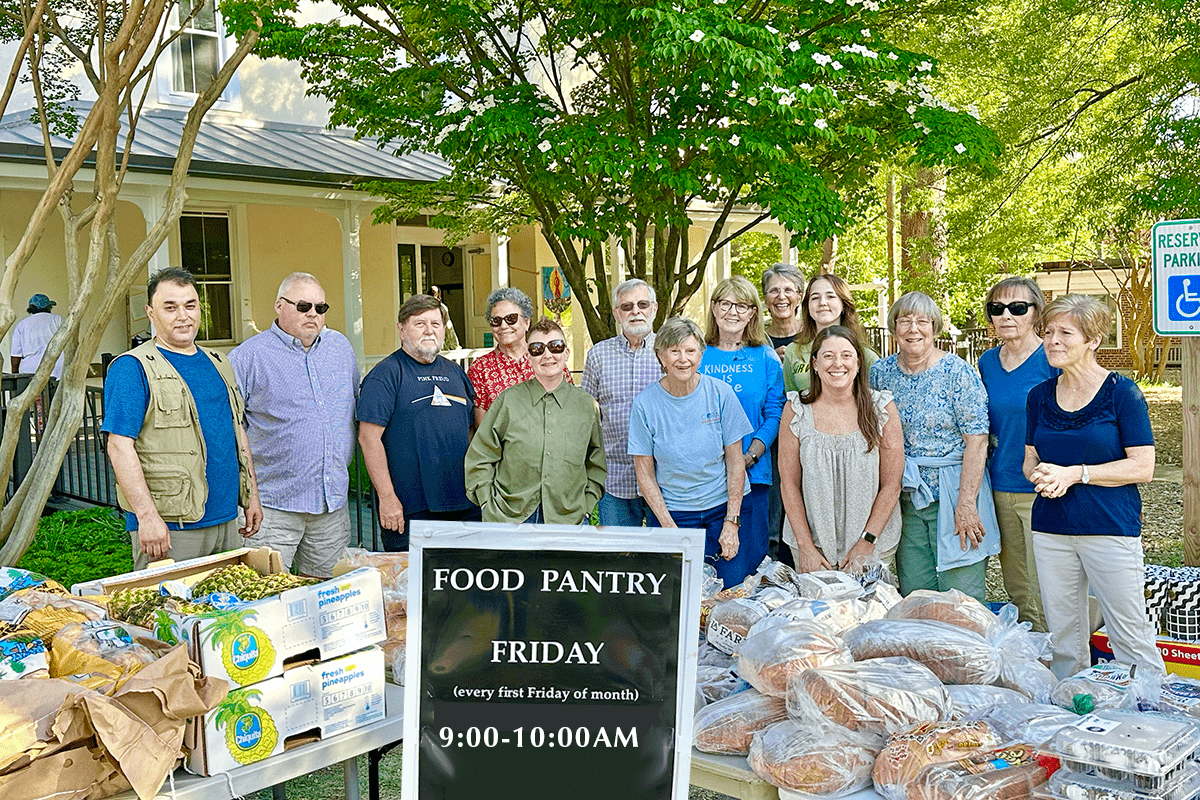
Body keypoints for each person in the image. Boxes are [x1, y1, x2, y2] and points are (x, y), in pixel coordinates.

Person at [1023, 294, 1162, 678]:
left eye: (1065, 333)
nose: (1052, 340)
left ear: (1093, 340)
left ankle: (1150, 705)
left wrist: (1075, 474)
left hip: (1109, 527)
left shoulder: (1122, 393)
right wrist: (1040, 475)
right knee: (1064, 639)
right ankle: (1074, 703)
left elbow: (1143, 467)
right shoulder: (1038, 396)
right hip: (1051, 529)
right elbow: (1030, 458)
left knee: (1129, 635)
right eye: (1048, 332)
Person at [102, 268, 262, 569]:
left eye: (190, 305)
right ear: (151, 313)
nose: (183, 316)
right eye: (170, 307)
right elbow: (119, 446)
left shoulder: (219, 363)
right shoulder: (133, 368)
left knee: (226, 601)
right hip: (171, 527)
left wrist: (251, 495)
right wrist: (147, 517)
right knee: (168, 601)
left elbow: (237, 431)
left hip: (227, 520)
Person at [869, 291, 1000, 601]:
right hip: (907, 497)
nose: (913, 329)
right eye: (905, 321)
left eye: (922, 321)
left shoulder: (958, 372)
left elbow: (977, 440)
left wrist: (966, 504)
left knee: (961, 596)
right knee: (917, 593)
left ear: (935, 328)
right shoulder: (880, 373)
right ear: (894, 327)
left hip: (954, 493)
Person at [229, 272, 360, 578]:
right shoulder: (248, 357)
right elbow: (231, 429)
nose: (313, 314)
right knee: (265, 592)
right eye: (303, 306)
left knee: (329, 594)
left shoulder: (340, 348)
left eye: (320, 308)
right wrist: (248, 496)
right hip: (272, 508)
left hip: (330, 508)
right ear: (279, 306)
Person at [628, 317, 753, 585]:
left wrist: (731, 522)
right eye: (674, 351)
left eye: (690, 350)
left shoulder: (721, 394)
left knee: (730, 592)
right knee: (676, 595)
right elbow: (644, 474)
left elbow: (735, 462)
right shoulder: (644, 404)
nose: (683, 359)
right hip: (672, 512)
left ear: (701, 354)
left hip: (721, 509)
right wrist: (670, 530)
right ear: (661, 356)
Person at [358, 294, 480, 550]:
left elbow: (469, 430)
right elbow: (368, 439)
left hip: (464, 505)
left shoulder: (455, 372)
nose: (429, 331)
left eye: (436, 324)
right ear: (401, 329)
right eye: (420, 323)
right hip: (409, 509)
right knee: (411, 576)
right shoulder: (385, 375)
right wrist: (387, 498)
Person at [780, 326, 904, 572]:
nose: (838, 363)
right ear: (815, 364)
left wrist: (866, 542)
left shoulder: (881, 408)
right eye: (828, 356)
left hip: (872, 544)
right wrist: (806, 547)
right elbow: (789, 483)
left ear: (858, 363)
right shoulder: (796, 409)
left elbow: (892, 485)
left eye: (846, 355)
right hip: (812, 549)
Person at [465, 318, 606, 523]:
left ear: (566, 353)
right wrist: (486, 502)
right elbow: (481, 455)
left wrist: (586, 506)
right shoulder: (508, 401)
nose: (547, 355)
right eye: (537, 349)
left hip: (568, 519)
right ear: (529, 357)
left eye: (555, 346)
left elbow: (596, 462)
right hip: (511, 518)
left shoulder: (586, 406)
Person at [977, 277, 1058, 632]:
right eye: (997, 309)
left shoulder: (1052, 358)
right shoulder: (987, 363)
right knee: (1016, 581)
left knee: (1047, 582)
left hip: (1042, 486)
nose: (1006, 315)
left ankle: (1061, 651)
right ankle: (1034, 652)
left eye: (1017, 308)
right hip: (998, 484)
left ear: (1036, 313)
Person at [698, 277, 785, 580]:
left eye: (742, 305)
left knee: (749, 564)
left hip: (753, 474)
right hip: (704, 477)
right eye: (725, 303)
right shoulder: (698, 354)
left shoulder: (765, 357)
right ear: (714, 308)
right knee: (709, 565)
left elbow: (774, 412)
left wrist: (751, 455)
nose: (732, 312)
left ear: (752, 313)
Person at [581, 278, 661, 527]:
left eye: (642, 304)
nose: (635, 311)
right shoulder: (598, 355)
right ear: (617, 313)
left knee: (664, 549)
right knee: (618, 549)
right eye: (627, 306)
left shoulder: (670, 351)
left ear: (654, 308)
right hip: (615, 477)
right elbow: (586, 416)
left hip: (663, 477)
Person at [468, 287, 570, 427]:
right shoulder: (480, 368)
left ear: (527, 322)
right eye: (496, 320)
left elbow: (569, 407)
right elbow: (482, 427)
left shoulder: (549, 359)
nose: (503, 326)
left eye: (511, 319)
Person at [783, 273, 878, 394]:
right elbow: (790, 397)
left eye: (830, 296)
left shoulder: (865, 355)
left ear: (844, 304)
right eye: (815, 298)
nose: (822, 302)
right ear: (807, 306)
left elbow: (875, 399)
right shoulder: (793, 351)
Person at [11, 293, 64, 379]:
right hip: (57, 368)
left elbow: (15, 354)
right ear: (48, 307)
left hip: (30, 369)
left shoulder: (22, 325)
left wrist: (15, 374)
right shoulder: (58, 319)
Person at [761, 265, 805, 358]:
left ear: (799, 298)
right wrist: (771, 360)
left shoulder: (811, 334)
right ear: (765, 300)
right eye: (774, 290)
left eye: (788, 290)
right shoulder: (758, 340)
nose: (781, 296)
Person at [430, 285, 460, 350]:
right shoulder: (422, 308)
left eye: (434, 293)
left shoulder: (442, 308)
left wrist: (454, 344)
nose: (432, 295)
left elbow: (448, 326)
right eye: (430, 293)